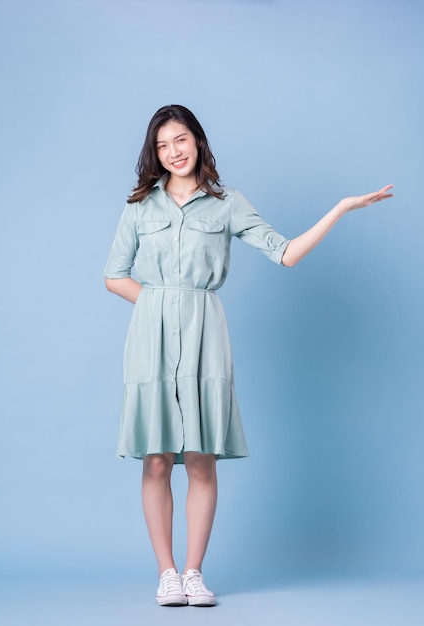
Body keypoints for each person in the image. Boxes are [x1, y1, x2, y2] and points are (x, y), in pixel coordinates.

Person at [104, 104, 393, 607]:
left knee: (200, 457)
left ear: (198, 141)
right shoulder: (139, 206)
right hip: (151, 335)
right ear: (155, 152)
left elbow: (285, 253)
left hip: (205, 334)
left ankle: (194, 573)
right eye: (163, 145)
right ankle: (166, 574)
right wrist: (159, 303)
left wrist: (340, 208)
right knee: (155, 459)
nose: (173, 152)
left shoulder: (227, 203)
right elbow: (114, 275)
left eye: (181, 140)